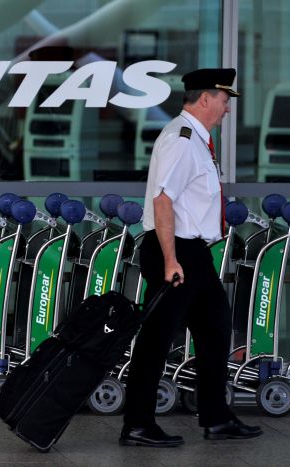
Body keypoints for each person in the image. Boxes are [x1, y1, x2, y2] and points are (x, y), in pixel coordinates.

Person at [119, 68, 263, 447]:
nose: (227, 108)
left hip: (193, 253)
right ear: (206, 99)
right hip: (176, 251)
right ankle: (137, 424)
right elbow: (162, 200)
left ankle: (216, 417)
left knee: (215, 332)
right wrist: (170, 260)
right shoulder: (182, 140)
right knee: (157, 339)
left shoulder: (196, 139)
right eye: (225, 99)